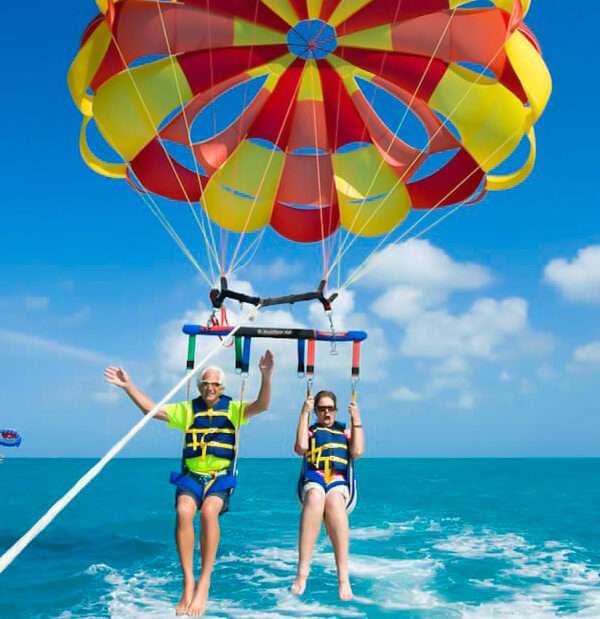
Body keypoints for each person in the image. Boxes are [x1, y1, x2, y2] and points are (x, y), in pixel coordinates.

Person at [104, 350, 274, 616]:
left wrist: (266, 375)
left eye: (215, 384)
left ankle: (205, 580)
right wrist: (128, 386)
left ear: (222, 387)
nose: (210, 388)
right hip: (191, 476)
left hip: (220, 478)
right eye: (206, 383)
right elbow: (152, 411)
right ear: (199, 386)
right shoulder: (187, 409)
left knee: (208, 513)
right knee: (183, 512)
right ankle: (188, 581)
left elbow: (262, 405)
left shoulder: (233, 408)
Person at [292, 389, 364, 601]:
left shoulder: (345, 431)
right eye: (321, 409)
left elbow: (357, 452)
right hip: (314, 478)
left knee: (332, 500)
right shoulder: (311, 430)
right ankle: (302, 573)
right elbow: (301, 447)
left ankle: (343, 578)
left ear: (336, 410)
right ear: (316, 411)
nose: (326, 413)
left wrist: (356, 418)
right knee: (316, 496)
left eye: (330, 409)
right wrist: (303, 414)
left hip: (339, 482)